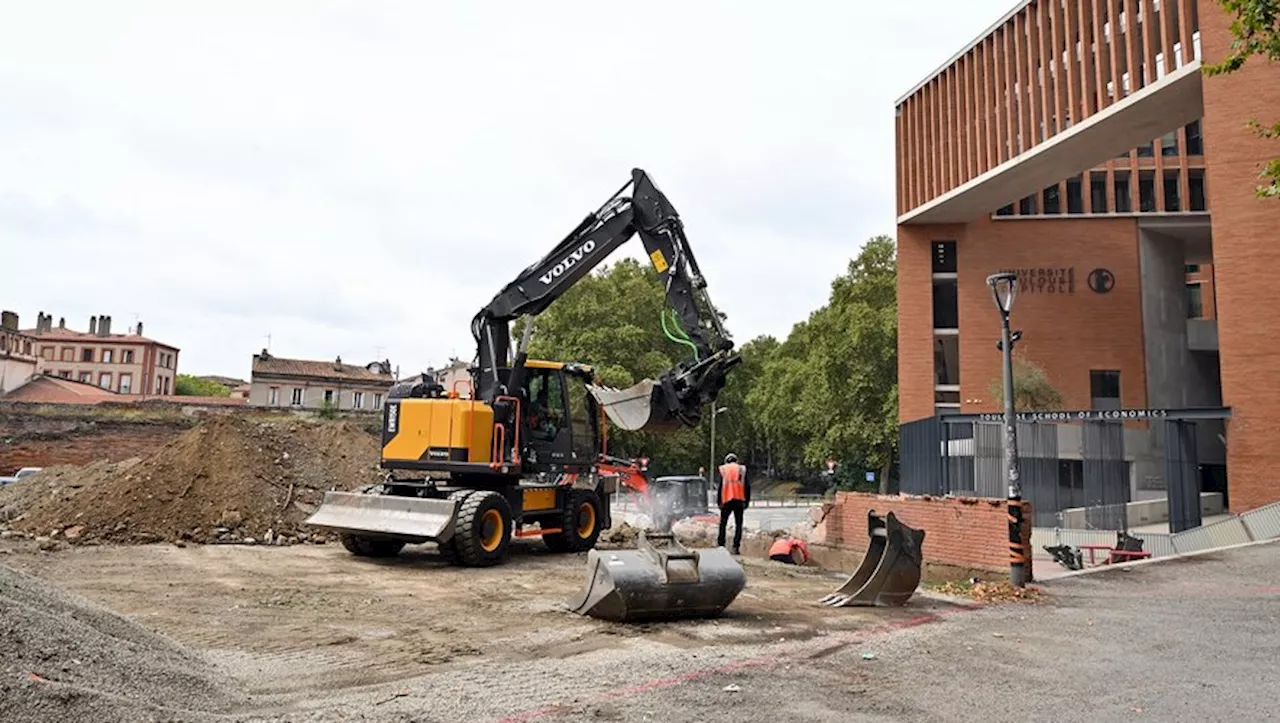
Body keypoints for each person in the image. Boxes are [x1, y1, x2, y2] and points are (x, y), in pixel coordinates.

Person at [716, 452, 749, 555]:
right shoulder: (742, 469)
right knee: (738, 524)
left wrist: (719, 502)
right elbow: (747, 487)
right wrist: (746, 501)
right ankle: (735, 547)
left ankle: (721, 544)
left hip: (727, 500)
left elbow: (720, 487)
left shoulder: (724, 469)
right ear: (736, 460)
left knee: (723, 523)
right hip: (739, 500)